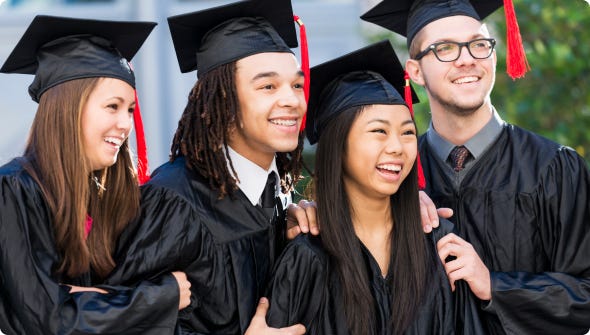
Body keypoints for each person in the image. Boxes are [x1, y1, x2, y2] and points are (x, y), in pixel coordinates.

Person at [361, 0, 590, 333]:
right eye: (445, 49)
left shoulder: (555, 169)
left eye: (479, 45)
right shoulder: (395, 176)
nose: (467, 59)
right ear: (415, 71)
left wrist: (494, 285)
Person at [104, 0, 308, 333]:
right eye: (268, 86)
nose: (291, 99)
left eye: (296, 85)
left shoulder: (276, 196)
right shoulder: (172, 200)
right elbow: (125, 325)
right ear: (222, 99)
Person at [265, 40, 483, 334]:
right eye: (379, 131)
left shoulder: (439, 244)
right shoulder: (307, 257)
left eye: (407, 132)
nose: (397, 147)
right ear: (339, 148)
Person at [0, 15, 191, 335]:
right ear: (69, 108)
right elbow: (47, 320)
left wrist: (79, 298)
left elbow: (61, 310)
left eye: (130, 109)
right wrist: (159, 296)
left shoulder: (106, 196)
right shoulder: (14, 190)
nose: (125, 124)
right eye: (112, 106)